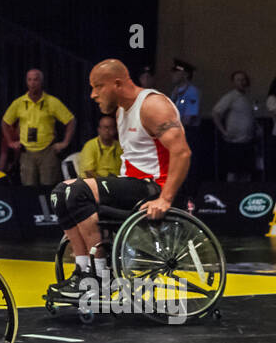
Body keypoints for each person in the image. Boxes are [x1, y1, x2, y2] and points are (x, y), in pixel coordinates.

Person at [49, 60, 191, 298]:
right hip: (133, 185)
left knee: (77, 191)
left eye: (97, 87)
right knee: (60, 194)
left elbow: (182, 152)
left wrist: (165, 199)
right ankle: (83, 271)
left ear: (117, 84)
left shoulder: (152, 105)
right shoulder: (121, 111)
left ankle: (100, 275)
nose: (93, 94)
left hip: (154, 187)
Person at [1, 68, 75, 189]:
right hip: (27, 153)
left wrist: (65, 142)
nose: (33, 83)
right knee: (29, 188)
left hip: (47, 151)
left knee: (49, 188)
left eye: (36, 79)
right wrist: (10, 142)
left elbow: (70, 120)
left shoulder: (52, 102)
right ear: (26, 82)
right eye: (30, 80)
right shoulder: (19, 103)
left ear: (41, 81)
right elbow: (5, 122)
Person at [213, 70, 257, 181]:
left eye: (243, 79)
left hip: (248, 141)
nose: (241, 82)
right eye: (238, 80)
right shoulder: (231, 97)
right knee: (233, 171)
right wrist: (223, 131)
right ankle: (231, 194)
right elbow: (216, 113)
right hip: (234, 143)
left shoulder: (247, 97)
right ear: (233, 82)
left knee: (247, 172)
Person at [77, 114, 123, 179]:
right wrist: (105, 183)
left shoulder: (120, 146)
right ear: (99, 129)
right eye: (104, 127)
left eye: (110, 127)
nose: (107, 130)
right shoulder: (90, 145)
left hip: (117, 181)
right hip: (95, 182)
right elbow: (89, 172)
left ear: (115, 130)